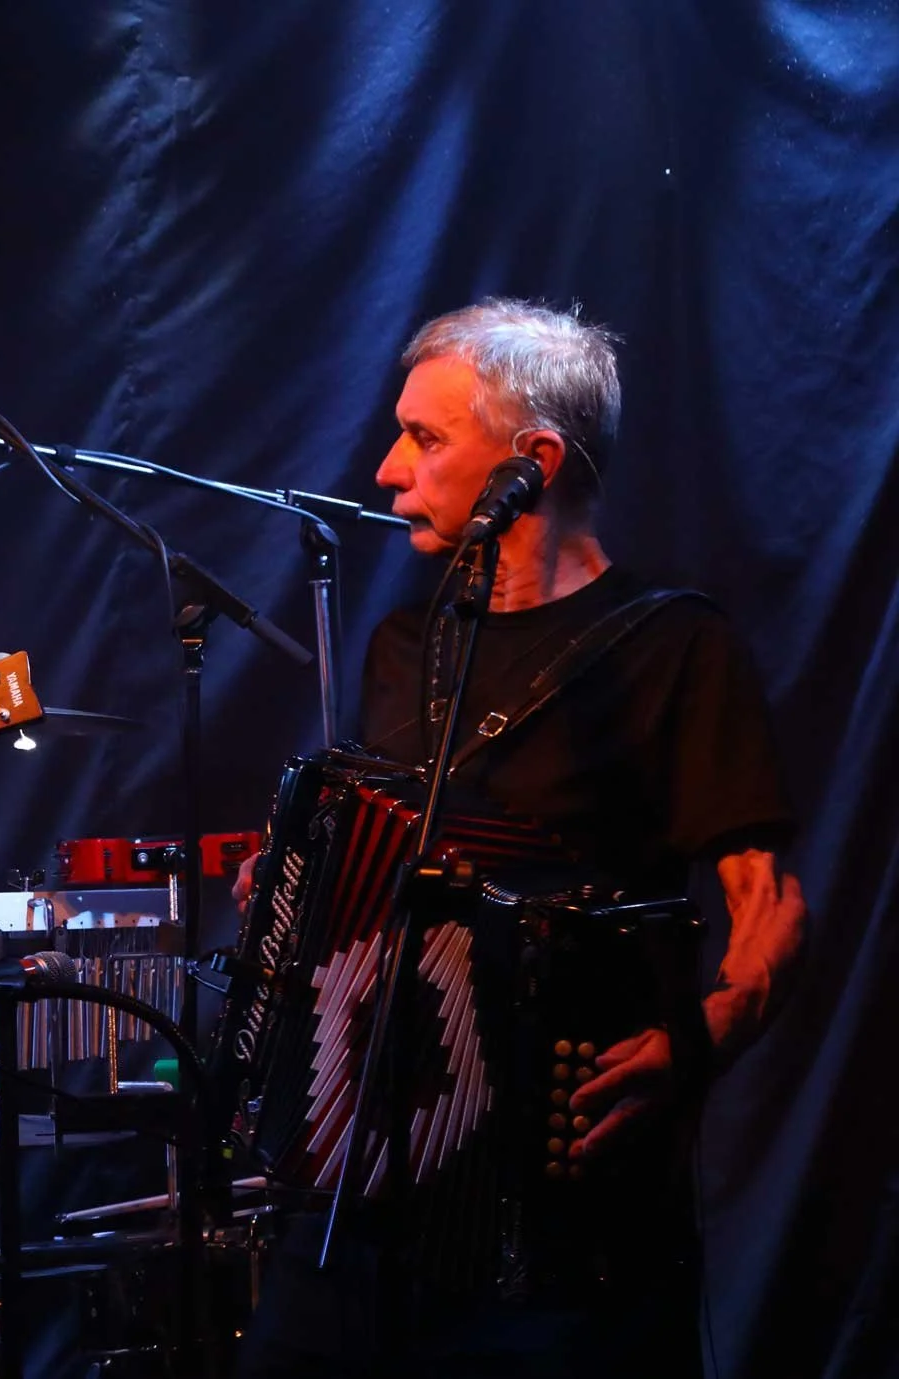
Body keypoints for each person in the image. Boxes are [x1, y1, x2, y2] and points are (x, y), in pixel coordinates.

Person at [235, 298, 807, 1378]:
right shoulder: (409, 645)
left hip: (560, 1231)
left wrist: (703, 1033)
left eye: (424, 438)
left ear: (529, 461)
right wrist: (293, 894)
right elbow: (386, 874)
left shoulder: (675, 644)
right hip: (362, 1190)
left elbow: (770, 905)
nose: (386, 470)